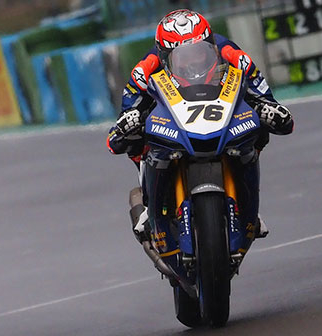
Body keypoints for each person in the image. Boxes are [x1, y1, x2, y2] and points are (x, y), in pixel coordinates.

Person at [106, 9, 294, 243]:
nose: (193, 62)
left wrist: (269, 109)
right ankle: (148, 202)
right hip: (171, 112)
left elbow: (263, 93)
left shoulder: (232, 53)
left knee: (260, 124)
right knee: (133, 134)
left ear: (211, 46)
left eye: (199, 53)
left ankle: (247, 203)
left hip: (218, 105)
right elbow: (125, 115)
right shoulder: (146, 67)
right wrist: (128, 121)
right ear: (165, 57)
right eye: (183, 57)